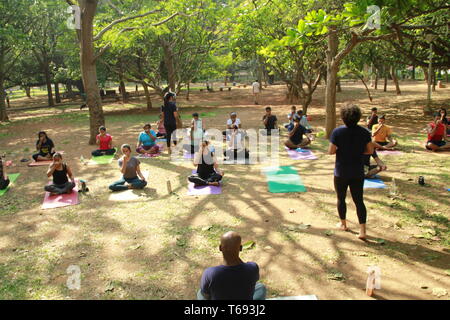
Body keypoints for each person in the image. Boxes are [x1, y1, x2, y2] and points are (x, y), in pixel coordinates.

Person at [328, 104, 374, 240]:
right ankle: (363, 231)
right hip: (357, 172)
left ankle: (343, 224)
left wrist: (342, 150)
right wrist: (358, 152)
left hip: (341, 171)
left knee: (341, 198)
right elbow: (370, 150)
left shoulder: (337, 132)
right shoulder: (365, 132)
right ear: (358, 117)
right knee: (359, 200)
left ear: (343, 117)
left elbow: (331, 151)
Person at [197, 231, 266, 300]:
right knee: (260, 287)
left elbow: (206, 295)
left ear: (220, 248)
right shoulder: (252, 268)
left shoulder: (210, 273)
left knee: (200, 293)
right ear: (241, 248)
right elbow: (252, 281)